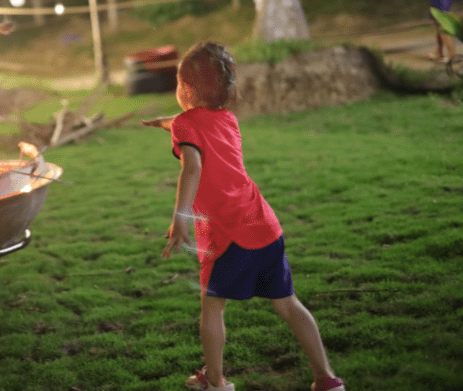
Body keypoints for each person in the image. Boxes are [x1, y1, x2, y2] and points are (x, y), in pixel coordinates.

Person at [142, 42, 344, 391]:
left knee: (212, 306)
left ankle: (216, 380)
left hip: (229, 235)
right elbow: (196, 126)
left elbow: (192, 166)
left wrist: (181, 217)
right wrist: (166, 123)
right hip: (264, 225)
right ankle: (327, 378)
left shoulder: (187, 125)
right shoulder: (227, 119)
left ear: (185, 89)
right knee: (288, 304)